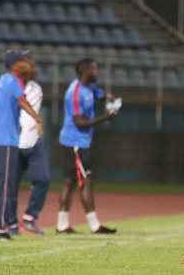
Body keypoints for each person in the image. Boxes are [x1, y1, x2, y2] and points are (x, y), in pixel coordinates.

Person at [0, 56, 50, 236]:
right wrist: (38, 119)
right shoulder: (11, 81)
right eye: (27, 63)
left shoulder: (11, 82)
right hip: (8, 140)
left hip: (21, 141)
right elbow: (19, 103)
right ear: (16, 66)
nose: (32, 67)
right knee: (8, 186)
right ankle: (3, 226)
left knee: (38, 179)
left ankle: (18, 221)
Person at [56, 58, 118, 234]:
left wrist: (107, 97)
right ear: (86, 71)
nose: (96, 73)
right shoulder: (74, 93)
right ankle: (94, 225)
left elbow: (98, 94)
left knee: (70, 181)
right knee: (86, 181)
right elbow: (80, 122)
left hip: (78, 141)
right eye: (94, 69)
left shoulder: (88, 88)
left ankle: (61, 225)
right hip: (75, 142)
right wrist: (105, 117)